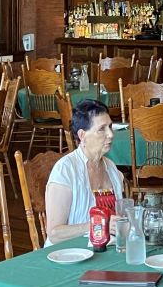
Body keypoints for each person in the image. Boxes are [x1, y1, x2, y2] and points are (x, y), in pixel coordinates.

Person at [44, 99, 124, 245]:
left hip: (105, 250)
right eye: (102, 129)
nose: (110, 134)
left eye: (110, 127)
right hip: (67, 255)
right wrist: (97, 224)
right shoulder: (65, 170)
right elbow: (54, 233)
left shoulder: (111, 168)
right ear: (82, 135)